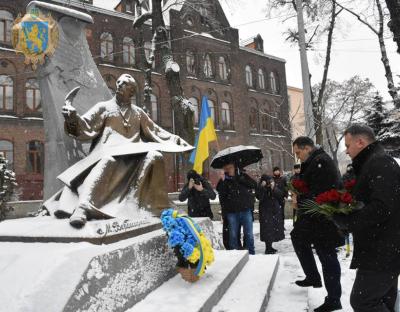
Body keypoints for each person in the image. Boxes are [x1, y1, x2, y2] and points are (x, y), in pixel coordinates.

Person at [44, 74, 190, 227]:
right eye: (119, 82)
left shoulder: (138, 113)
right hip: (107, 153)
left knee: (155, 156)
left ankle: (150, 205)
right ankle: (83, 207)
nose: (119, 85)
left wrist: (177, 141)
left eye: (125, 84)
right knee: (109, 160)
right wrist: (72, 118)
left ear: (132, 91)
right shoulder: (104, 108)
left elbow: (157, 131)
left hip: (132, 157)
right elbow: (85, 127)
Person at [332, 124, 400, 312]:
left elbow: (382, 207)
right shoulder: (370, 164)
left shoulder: (380, 163)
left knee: (364, 301)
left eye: (348, 145)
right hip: (380, 249)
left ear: (360, 142)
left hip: (383, 250)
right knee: (385, 300)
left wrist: (348, 220)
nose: (346, 151)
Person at [291, 136, 344, 312]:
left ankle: (334, 299)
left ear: (307, 148)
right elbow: (309, 186)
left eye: (298, 152)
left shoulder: (321, 161)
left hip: (323, 218)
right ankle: (313, 276)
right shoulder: (315, 161)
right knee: (298, 237)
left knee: (327, 255)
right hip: (315, 216)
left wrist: (300, 199)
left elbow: (320, 192)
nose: (298, 157)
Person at [216, 162, 257, 255]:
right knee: (233, 235)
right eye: (226, 168)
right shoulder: (224, 180)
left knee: (249, 234)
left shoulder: (242, 176)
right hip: (232, 212)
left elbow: (254, 184)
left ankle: (251, 253)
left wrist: (241, 179)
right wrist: (222, 181)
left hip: (245, 209)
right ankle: (235, 255)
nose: (228, 169)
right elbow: (221, 194)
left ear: (234, 167)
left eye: (230, 167)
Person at [256, 174, 285, 254]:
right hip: (265, 210)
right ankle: (268, 248)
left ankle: (270, 247)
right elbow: (258, 196)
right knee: (267, 229)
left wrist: (273, 188)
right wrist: (262, 187)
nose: (269, 182)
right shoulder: (260, 186)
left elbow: (280, 195)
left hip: (274, 210)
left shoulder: (273, 186)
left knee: (273, 228)